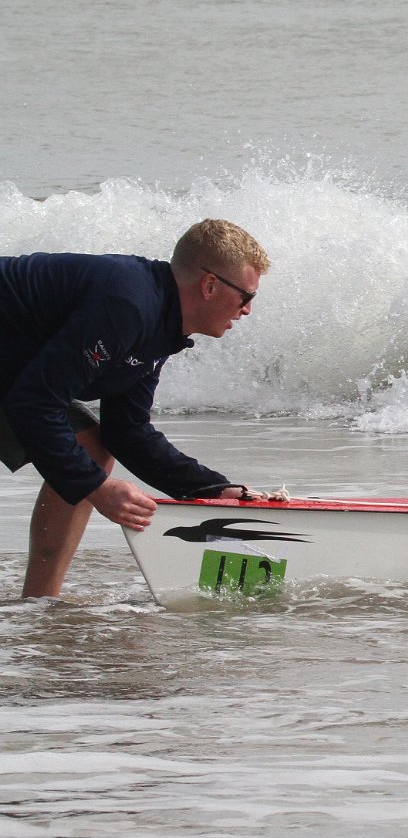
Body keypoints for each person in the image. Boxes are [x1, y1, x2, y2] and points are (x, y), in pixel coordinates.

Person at [1, 218, 286, 598]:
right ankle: (40, 601)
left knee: (91, 445)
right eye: (246, 297)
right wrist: (97, 488)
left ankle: (39, 604)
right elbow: (35, 403)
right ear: (210, 285)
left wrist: (214, 488)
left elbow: (127, 430)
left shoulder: (160, 324)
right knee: (85, 454)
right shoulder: (128, 306)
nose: (247, 310)